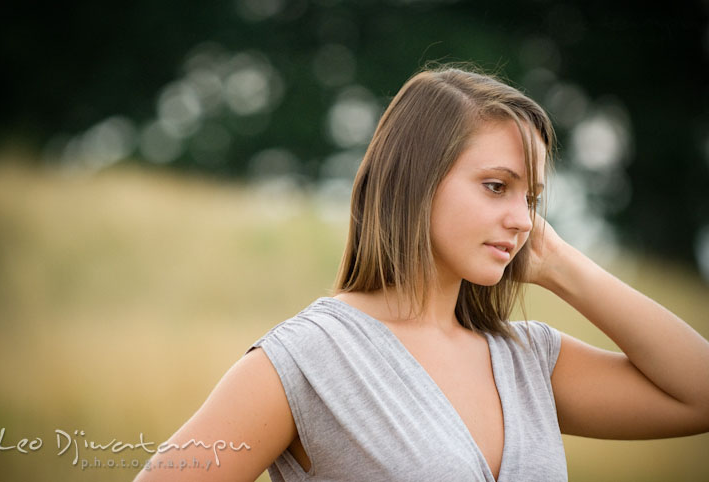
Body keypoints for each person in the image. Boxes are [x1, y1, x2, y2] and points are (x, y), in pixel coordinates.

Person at [133, 64, 709, 482]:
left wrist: (560, 266)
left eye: (531, 198)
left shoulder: (526, 359)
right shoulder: (309, 360)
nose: (522, 219)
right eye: (496, 187)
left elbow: (699, 395)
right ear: (417, 181)